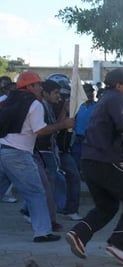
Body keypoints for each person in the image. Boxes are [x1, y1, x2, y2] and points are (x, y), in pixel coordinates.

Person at [65, 68, 123, 265]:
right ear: (119, 85)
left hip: (90, 161)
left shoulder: (106, 99)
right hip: (107, 161)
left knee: (107, 206)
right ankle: (118, 245)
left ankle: (79, 234)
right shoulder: (116, 97)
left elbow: (119, 122)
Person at [0, 71, 74, 242]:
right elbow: (40, 131)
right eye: (38, 84)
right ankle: (42, 232)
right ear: (29, 86)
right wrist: (63, 124)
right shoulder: (35, 104)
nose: (41, 87)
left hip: (2, 150)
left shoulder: (5, 100)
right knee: (36, 192)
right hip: (19, 154)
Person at [37, 79, 83, 221]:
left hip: (60, 150)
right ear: (45, 93)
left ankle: (68, 210)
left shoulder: (52, 106)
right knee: (50, 183)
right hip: (46, 151)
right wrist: (64, 118)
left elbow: (57, 127)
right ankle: (39, 213)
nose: (60, 96)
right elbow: (47, 129)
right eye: (57, 93)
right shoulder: (40, 107)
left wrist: (65, 111)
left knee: (68, 179)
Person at [71, 83, 97, 170]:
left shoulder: (97, 107)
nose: (90, 94)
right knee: (76, 163)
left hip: (91, 139)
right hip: (77, 139)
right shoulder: (76, 106)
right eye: (87, 92)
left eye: (91, 92)